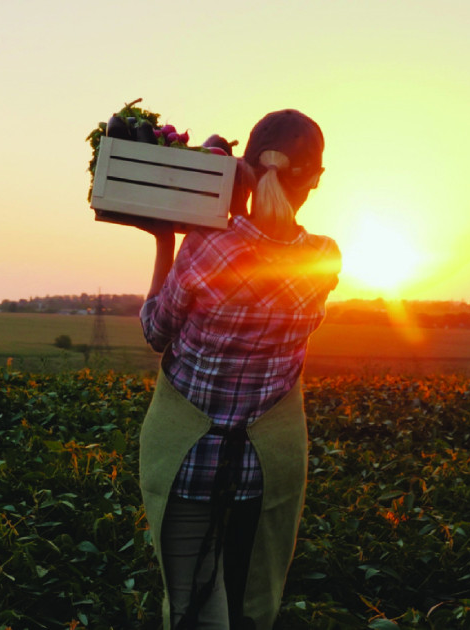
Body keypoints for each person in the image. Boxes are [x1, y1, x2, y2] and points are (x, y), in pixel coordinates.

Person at [137, 109, 341, 630]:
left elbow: (156, 331)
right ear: (314, 180)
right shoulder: (324, 260)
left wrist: (168, 235)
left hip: (189, 465)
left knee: (189, 611)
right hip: (263, 472)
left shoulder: (207, 248)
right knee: (249, 609)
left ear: (244, 170)